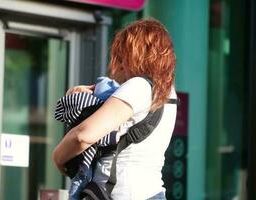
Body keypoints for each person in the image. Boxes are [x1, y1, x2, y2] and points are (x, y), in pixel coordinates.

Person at [53, 18, 177, 200]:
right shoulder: (167, 93)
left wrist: (58, 158)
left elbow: (83, 136)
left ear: (136, 54)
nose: (119, 64)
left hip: (121, 193)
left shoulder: (139, 86)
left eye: (122, 55)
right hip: (151, 192)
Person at [54, 77, 122, 200]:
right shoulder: (110, 113)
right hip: (103, 177)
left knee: (77, 190)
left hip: (86, 168)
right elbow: (85, 138)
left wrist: (58, 159)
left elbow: (81, 138)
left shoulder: (83, 106)